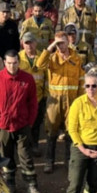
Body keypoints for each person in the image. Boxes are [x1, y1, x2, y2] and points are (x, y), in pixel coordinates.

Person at [0, 50, 47, 193]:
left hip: (22, 125)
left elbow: (33, 103)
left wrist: (30, 122)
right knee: (5, 156)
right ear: (4, 63)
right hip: (3, 126)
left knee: (26, 156)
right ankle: (9, 184)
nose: (12, 66)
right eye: (9, 63)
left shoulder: (27, 79)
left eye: (14, 63)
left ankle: (31, 186)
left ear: (19, 63)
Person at [40, 32, 84, 173]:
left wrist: (81, 101)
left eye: (63, 42)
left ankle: (68, 161)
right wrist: (51, 46)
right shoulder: (52, 58)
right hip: (54, 100)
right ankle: (49, 161)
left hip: (71, 101)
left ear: (68, 42)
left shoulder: (76, 59)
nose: (60, 46)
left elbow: (81, 81)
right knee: (51, 131)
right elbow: (40, 64)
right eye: (58, 43)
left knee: (70, 131)